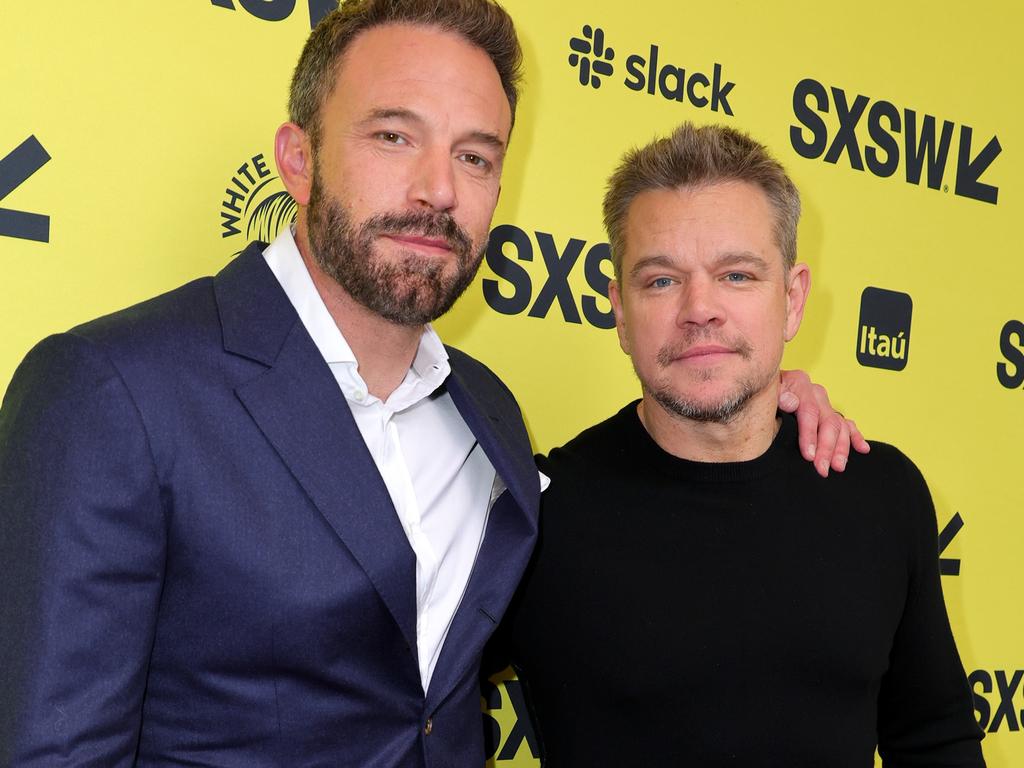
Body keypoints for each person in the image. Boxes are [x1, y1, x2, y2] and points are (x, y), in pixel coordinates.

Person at [0, 4, 859, 767]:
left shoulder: (486, 412)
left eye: (476, 156)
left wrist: (758, 415)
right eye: (393, 136)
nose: (439, 189)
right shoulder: (112, 391)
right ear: (298, 160)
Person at [500, 123, 985, 767]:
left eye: (736, 275)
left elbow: (934, 738)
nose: (700, 308)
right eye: (661, 281)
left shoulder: (882, 493)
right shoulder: (537, 517)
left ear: (793, 299)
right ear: (619, 310)